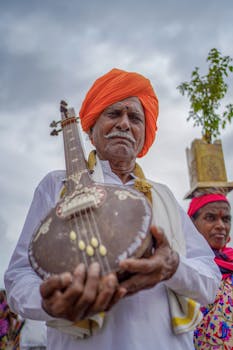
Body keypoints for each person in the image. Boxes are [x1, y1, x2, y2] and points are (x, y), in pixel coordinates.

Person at [4, 68, 221, 350]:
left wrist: (173, 267)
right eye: (113, 113)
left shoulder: (163, 195)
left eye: (134, 118)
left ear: (144, 135)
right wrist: (48, 302)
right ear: (91, 130)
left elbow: (210, 279)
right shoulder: (57, 185)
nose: (124, 124)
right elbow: (19, 275)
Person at [188, 192, 233, 349]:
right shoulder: (182, 267)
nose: (221, 225)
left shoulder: (231, 261)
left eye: (226, 219)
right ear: (191, 224)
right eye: (211, 218)